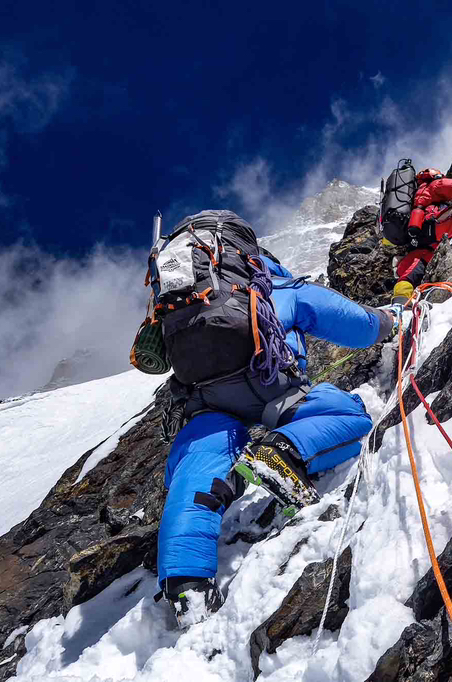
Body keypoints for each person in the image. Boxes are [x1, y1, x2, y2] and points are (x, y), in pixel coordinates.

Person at [156, 251, 395, 627]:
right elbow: (359, 327)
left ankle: (187, 583)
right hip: (274, 388)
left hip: (206, 401)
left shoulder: (179, 306)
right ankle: (283, 452)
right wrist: (387, 320)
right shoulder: (278, 287)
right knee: (346, 413)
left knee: (198, 468)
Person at [390, 168, 452, 304]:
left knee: (412, 272)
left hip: (417, 243)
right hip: (431, 227)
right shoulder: (433, 185)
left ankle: (400, 300)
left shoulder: (411, 198)